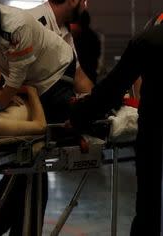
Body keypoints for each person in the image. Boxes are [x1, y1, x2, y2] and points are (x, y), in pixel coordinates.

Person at [0, 0, 75, 235]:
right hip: (24, 84)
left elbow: (20, 80)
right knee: (28, 166)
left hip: (54, 75)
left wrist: (5, 97)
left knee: (28, 164)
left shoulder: (16, 27)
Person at [69, 16, 163, 236]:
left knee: (149, 206)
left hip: (155, 132)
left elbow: (111, 90)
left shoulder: (148, 39)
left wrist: (78, 116)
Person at [27, 0, 93, 93]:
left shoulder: (63, 29)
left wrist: (98, 100)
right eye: (84, 1)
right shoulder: (34, 21)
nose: (85, 6)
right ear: (73, 0)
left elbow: (79, 77)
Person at [71, 10, 102, 83]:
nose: (70, 25)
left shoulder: (80, 39)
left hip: (83, 78)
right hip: (89, 77)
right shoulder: (93, 37)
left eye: (72, 23)